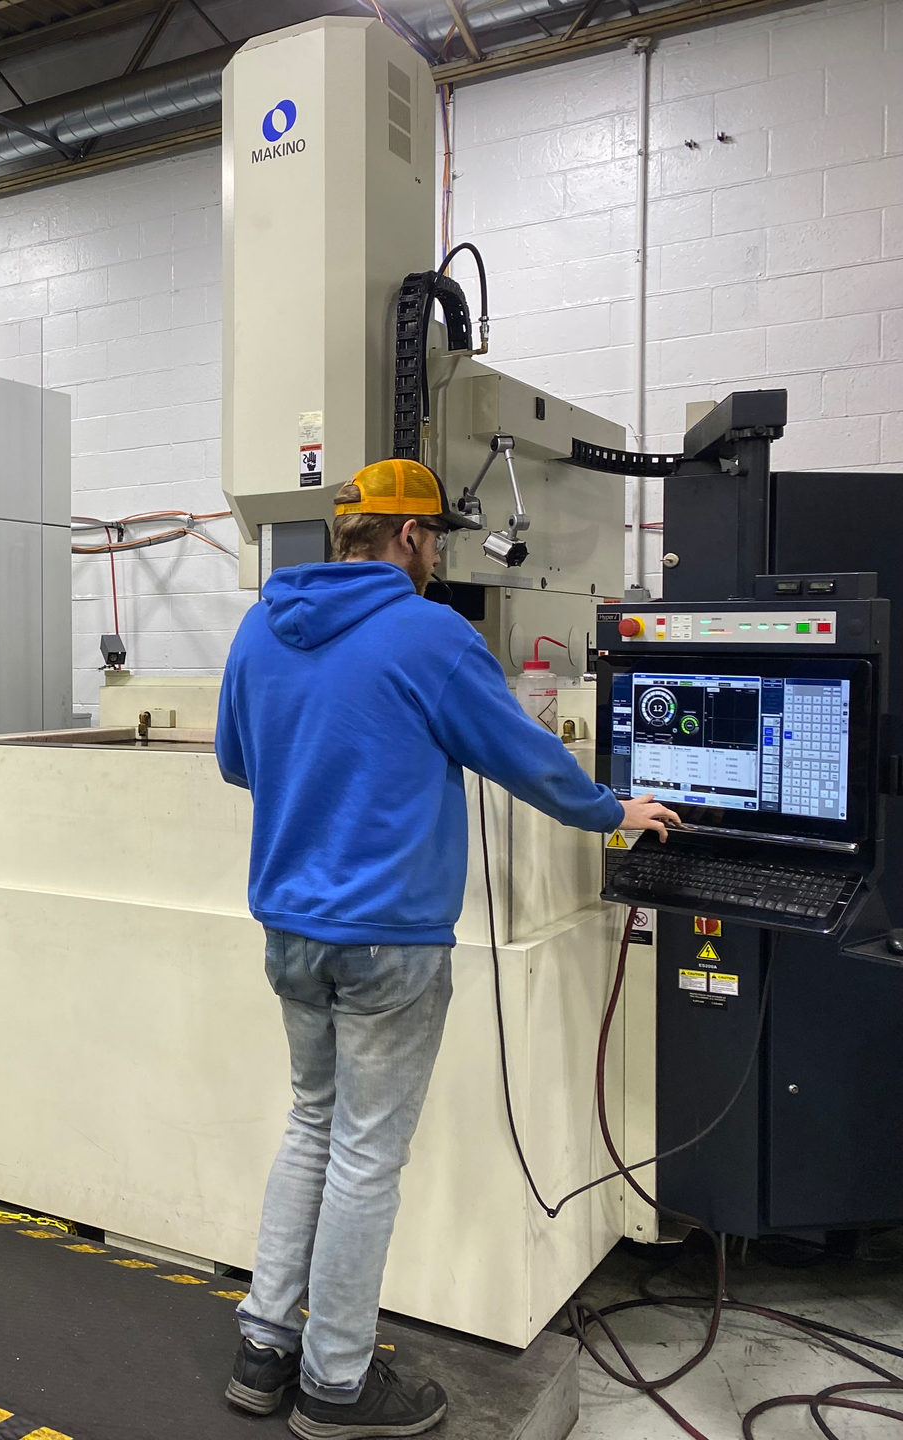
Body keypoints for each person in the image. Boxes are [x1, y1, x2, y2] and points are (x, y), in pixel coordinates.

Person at [214, 459, 678, 1439]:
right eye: (435, 542)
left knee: (311, 1123)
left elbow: (234, 761)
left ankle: (264, 1348)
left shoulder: (260, 626)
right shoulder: (431, 634)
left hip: (289, 929)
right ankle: (335, 1383)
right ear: (413, 539)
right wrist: (613, 812)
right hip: (388, 941)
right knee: (366, 1156)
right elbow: (525, 757)